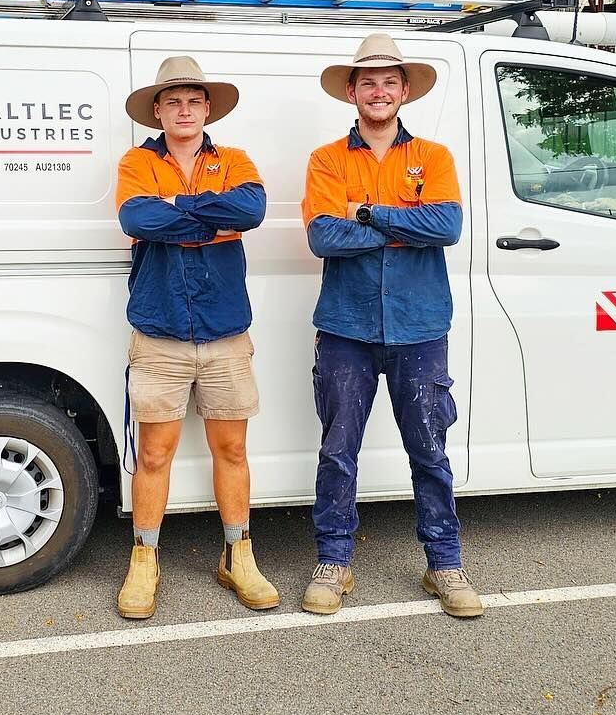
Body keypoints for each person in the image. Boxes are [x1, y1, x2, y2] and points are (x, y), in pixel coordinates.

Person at [299, 33, 482, 619]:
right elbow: (324, 236)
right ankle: (333, 560)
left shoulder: (434, 156)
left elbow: (448, 224)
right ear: (351, 92)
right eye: (368, 81)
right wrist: (407, 223)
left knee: (430, 450)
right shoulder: (326, 159)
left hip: (420, 325)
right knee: (338, 447)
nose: (379, 91)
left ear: (405, 92)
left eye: (389, 81)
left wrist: (369, 213)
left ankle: (445, 564)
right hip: (346, 326)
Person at [113, 56, 279, 620]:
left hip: (225, 328)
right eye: (173, 101)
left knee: (231, 448)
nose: (184, 110)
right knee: (154, 454)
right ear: (157, 111)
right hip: (159, 330)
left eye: (194, 101)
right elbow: (137, 220)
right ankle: (144, 560)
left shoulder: (234, 159)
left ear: (208, 109)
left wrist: (176, 209)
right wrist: (210, 220)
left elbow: (252, 209)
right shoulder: (136, 161)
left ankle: (238, 554)